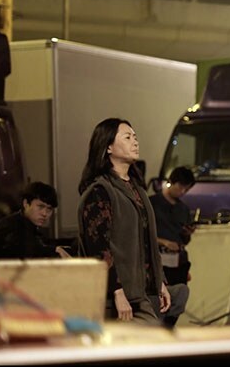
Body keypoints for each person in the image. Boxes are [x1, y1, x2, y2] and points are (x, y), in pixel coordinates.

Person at [77, 118, 173, 325]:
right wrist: (116, 291)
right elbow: (99, 248)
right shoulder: (100, 191)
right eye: (128, 137)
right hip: (120, 296)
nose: (135, 142)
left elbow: (147, 242)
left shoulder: (137, 189)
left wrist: (160, 282)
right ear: (108, 147)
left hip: (143, 293)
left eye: (135, 137)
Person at [0, 182, 69, 259]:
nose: (44, 213)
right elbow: (25, 248)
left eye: (49, 209)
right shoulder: (12, 225)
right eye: (40, 206)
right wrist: (54, 250)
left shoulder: (30, 226)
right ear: (26, 203)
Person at [149, 166, 196, 287]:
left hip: (178, 262)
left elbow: (184, 240)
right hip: (157, 260)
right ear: (171, 181)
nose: (183, 192)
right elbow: (142, 233)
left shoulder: (183, 209)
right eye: (180, 187)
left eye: (187, 189)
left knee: (179, 294)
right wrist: (163, 242)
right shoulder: (152, 204)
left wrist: (187, 234)